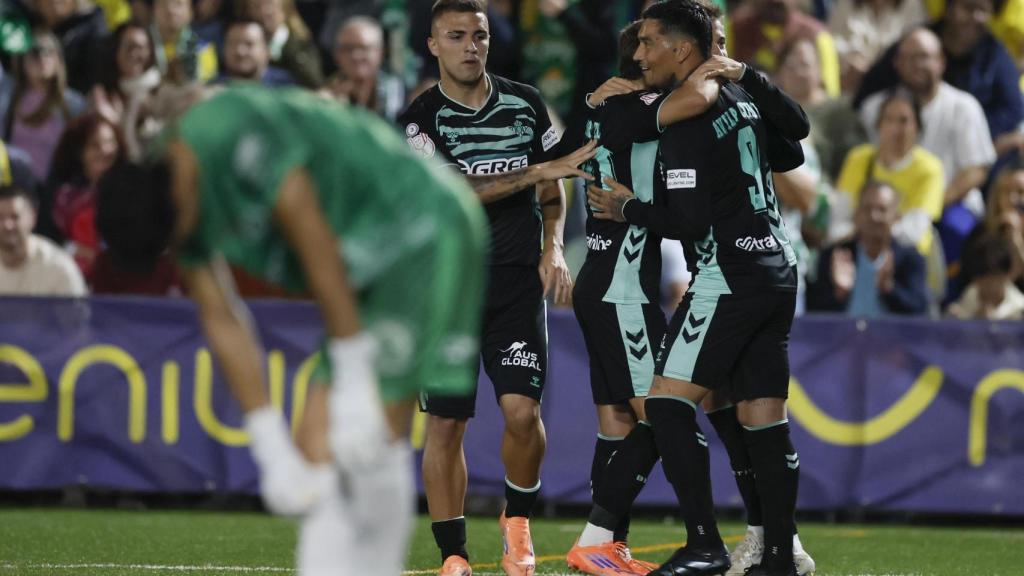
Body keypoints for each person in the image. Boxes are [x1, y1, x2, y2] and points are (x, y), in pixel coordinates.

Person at [95, 84, 489, 576]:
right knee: (314, 450)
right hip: (362, 263)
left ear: (176, 184)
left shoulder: (231, 132)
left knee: (367, 439)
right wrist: (267, 444)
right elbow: (221, 317)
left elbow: (314, 239)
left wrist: (351, 371)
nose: (186, 243)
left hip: (419, 229)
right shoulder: (163, 191)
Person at [587, 2, 806, 574]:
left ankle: (705, 544)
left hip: (728, 273)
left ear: (682, 49)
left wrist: (626, 206)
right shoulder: (742, 98)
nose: (638, 53)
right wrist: (748, 78)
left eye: (649, 42)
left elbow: (687, 225)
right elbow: (795, 144)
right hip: (779, 266)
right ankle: (779, 555)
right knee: (763, 416)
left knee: (665, 403)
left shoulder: (686, 122)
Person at [398, 1, 598, 575]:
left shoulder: (525, 103)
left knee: (521, 412)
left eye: (479, 35)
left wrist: (554, 243)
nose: (471, 46)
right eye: (456, 36)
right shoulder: (419, 119)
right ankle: (454, 555)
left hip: (514, 284)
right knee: (445, 422)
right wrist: (536, 172)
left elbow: (555, 186)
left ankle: (517, 520)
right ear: (433, 45)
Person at [806, 181, 930, 315]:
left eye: (882, 209)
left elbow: (918, 311)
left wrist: (889, 289)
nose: (873, 216)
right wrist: (839, 293)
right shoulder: (835, 255)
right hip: (843, 335)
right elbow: (814, 311)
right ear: (856, 214)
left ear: (896, 216)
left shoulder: (910, 259)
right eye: (867, 208)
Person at [0, 183, 85, 295]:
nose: (7, 225)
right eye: (0, 217)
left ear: (33, 217)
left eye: (15, 217)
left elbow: (75, 312)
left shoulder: (59, 266)